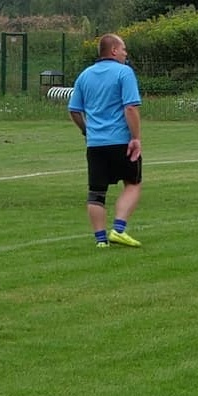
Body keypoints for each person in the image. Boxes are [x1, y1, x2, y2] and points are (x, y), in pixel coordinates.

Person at [69, 33, 145, 249]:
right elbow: (130, 107)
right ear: (113, 50)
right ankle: (118, 230)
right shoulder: (124, 72)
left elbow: (74, 110)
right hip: (120, 141)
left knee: (96, 192)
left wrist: (87, 131)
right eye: (123, 49)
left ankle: (101, 240)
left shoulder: (85, 75)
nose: (125, 53)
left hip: (95, 144)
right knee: (133, 183)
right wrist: (136, 138)